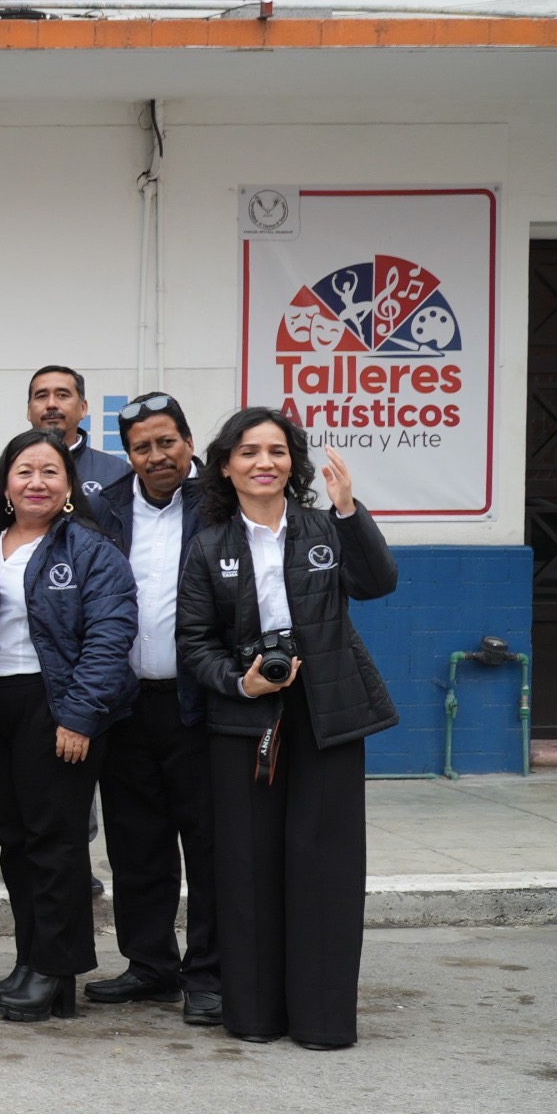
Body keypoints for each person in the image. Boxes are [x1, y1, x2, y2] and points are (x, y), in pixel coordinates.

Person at [177, 409, 396, 1050]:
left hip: (326, 711)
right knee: (247, 863)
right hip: (246, 717)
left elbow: (378, 582)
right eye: (248, 452)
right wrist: (241, 683)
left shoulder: (323, 527)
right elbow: (195, 642)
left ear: (292, 463)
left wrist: (350, 510)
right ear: (225, 466)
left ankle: (323, 1019)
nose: (263, 462)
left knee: (322, 861)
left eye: (277, 451)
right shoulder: (210, 544)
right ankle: (253, 1014)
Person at [0, 429, 137, 1022]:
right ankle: (31, 959)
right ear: (4, 483)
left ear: (68, 486)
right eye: (23, 471)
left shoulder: (90, 548)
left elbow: (110, 636)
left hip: (56, 703)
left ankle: (56, 968)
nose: (35, 482)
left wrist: (79, 715)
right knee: (14, 839)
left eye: (49, 472)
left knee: (55, 841)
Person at [90, 394, 221, 1024]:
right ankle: (151, 966)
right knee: (136, 844)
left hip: (200, 705)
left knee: (208, 842)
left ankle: (209, 974)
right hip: (126, 705)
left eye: (166, 442)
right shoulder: (105, 507)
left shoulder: (219, 503)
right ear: (129, 454)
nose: (156, 455)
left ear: (189, 442)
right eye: (142, 446)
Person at [0, 366, 128, 502]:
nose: (51, 404)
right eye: (41, 396)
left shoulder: (117, 473)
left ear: (83, 408)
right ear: (29, 411)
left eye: (62, 395)